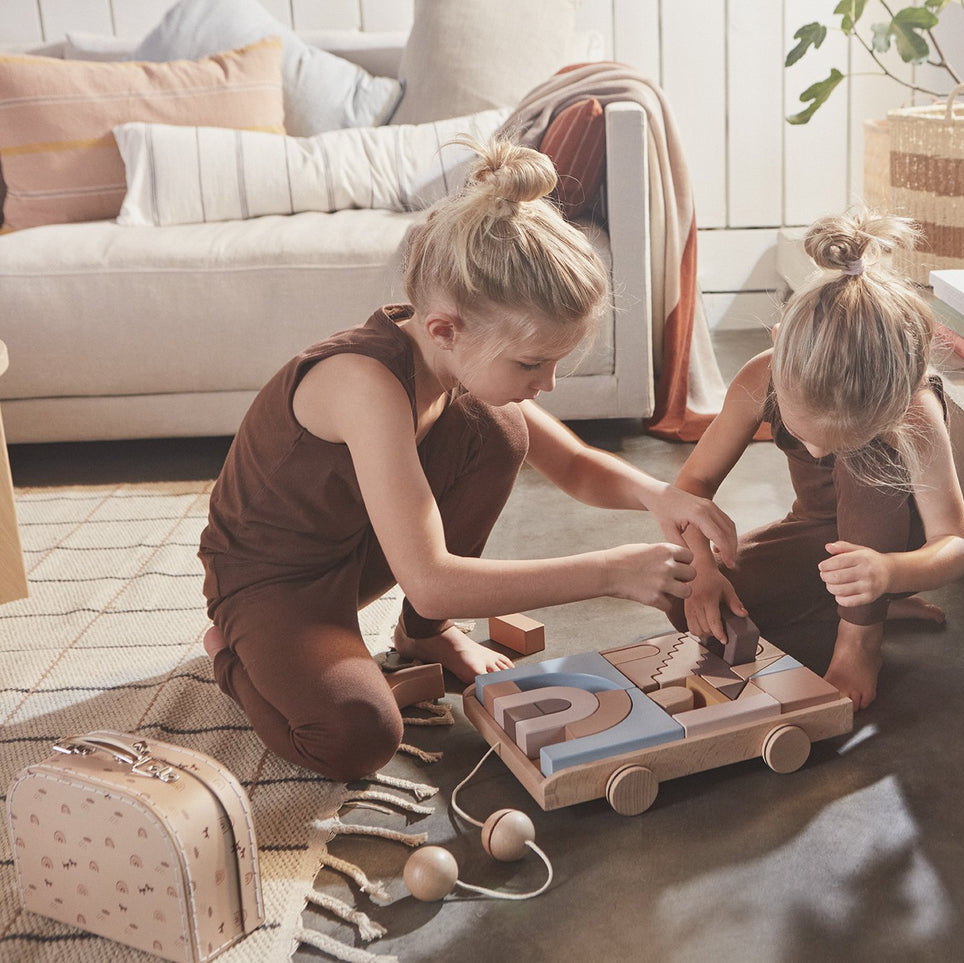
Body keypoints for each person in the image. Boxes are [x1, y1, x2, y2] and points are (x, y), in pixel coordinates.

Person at [198, 138, 737, 781]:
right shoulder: (363, 383)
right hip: (274, 581)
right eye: (533, 363)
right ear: (445, 329)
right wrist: (612, 571)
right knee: (357, 733)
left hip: (360, 549)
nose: (549, 384)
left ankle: (421, 636)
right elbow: (428, 576)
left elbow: (573, 465)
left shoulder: (450, 358)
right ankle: (231, 653)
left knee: (502, 428)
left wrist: (661, 495)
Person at [671, 208, 964, 710]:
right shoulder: (760, 376)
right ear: (777, 350)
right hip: (819, 536)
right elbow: (692, 486)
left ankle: (860, 637)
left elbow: (954, 542)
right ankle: (863, 604)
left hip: (896, 544)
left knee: (864, 463)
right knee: (685, 601)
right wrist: (703, 568)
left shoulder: (913, 410)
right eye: (803, 432)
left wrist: (890, 570)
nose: (815, 453)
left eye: (835, 440)